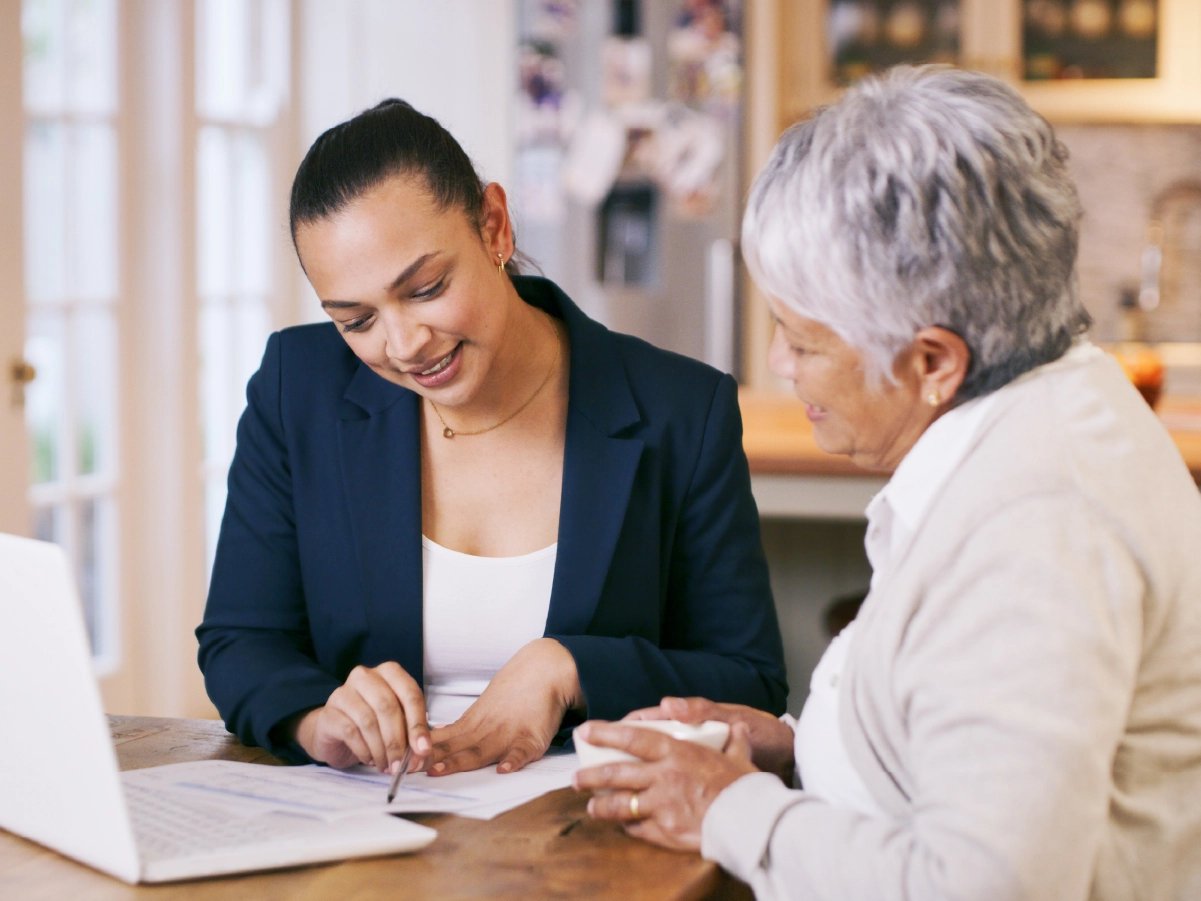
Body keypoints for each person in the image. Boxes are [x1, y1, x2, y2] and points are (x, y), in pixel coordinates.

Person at [573, 65, 1201, 900]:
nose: (778, 362)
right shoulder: (1048, 408)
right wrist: (799, 745)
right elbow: (968, 744)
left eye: (803, 340)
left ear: (933, 361)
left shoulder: (1033, 533)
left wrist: (729, 808)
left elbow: (984, 885)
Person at [195, 98, 787, 780]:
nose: (404, 345)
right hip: (370, 816)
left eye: (426, 288)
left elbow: (750, 682)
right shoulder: (296, 388)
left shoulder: (680, 410)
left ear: (495, 226)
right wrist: (317, 719)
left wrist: (569, 667)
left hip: (586, 817)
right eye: (356, 321)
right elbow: (240, 640)